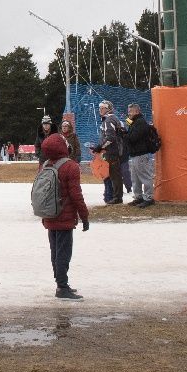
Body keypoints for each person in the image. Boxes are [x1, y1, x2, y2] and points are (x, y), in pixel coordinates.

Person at [36, 132, 90, 300]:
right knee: (64, 253)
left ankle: (60, 283)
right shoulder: (70, 166)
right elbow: (76, 195)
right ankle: (62, 287)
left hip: (50, 214)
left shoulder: (45, 165)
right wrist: (84, 216)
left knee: (55, 252)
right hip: (65, 216)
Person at [121, 101, 160, 207]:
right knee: (135, 178)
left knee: (145, 177)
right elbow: (131, 135)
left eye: (131, 111)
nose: (129, 113)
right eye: (128, 111)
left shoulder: (140, 122)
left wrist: (124, 135)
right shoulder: (134, 122)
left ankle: (149, 198)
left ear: (137, 111)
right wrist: (125, 133)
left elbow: (133, 138)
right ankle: (138, 197)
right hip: (134, 154)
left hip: (141, 154)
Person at [96, 101, 125, 204]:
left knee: (114, 175)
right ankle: (116, 196)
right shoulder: (113, 118)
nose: (100, 110)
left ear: (108, 109)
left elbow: (111, 138)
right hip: (115, 150)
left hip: (112, 151)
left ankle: (117, 197)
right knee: (114, 175)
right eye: (100, 108)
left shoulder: (108, 120)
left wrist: (100, 147)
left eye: (102, 108)